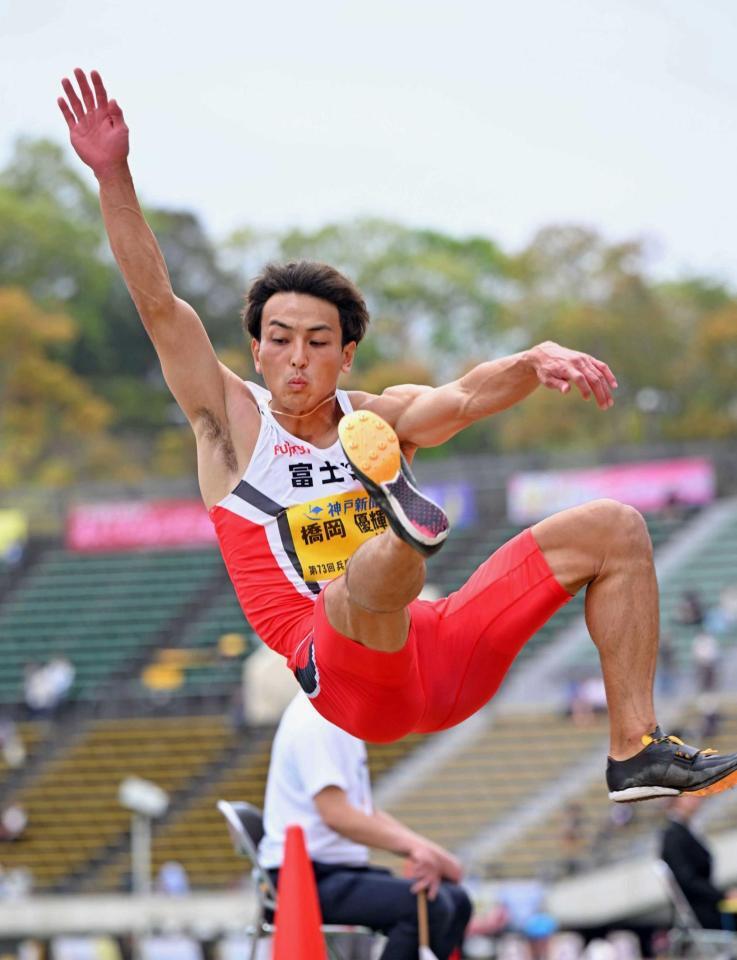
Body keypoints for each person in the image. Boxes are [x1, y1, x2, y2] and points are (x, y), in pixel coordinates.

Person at [58, 68, 737, 802]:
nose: (296, 357)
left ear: (346, 354)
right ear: (255, 349)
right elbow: (159, 306)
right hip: (343, 668)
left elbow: (467, 397)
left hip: (442, 656)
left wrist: (533, 359)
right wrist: (113, 172)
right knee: (360, 586)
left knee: (616, 526)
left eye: (318, 342)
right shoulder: (228, 423)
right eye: (279, 339)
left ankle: (633, 750)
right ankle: (403, 525)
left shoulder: (375, 415)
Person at [259, 691, 472, 959]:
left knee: (457, 900)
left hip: (336, 873)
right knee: (429, 908)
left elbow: (363, 811)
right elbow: (336, 814)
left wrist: (433, 854)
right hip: (303, 878)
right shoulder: (317, 720)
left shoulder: (340, 716)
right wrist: (415, 849)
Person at [660, 794, 737, 930]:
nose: (698, 799)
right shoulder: (673, 836)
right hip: (702, 912)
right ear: (677, 800)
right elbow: (688, 881)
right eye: (691, 796)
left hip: (705, 906)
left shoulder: (684, 831)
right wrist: (722, 896)